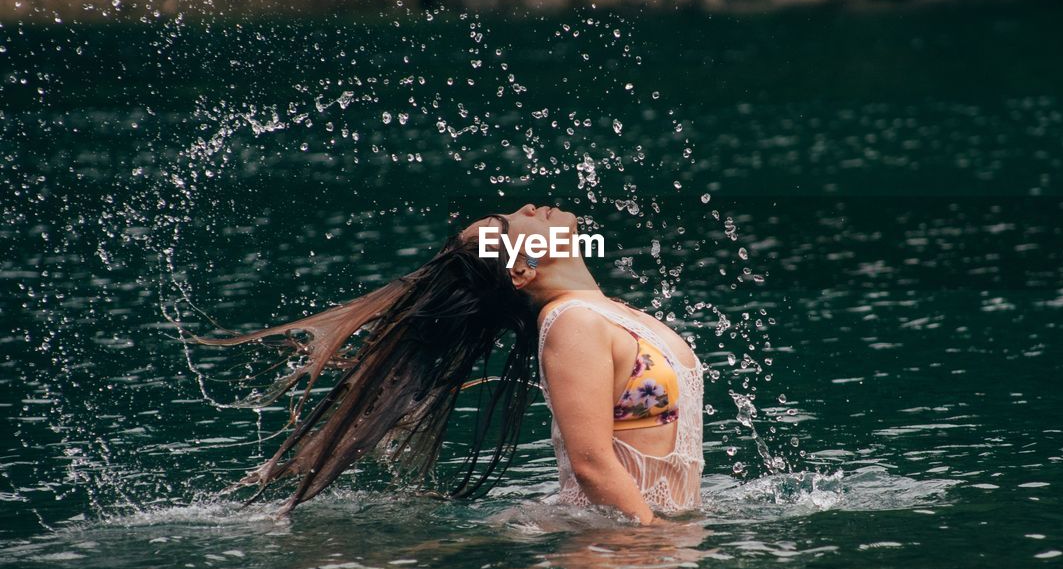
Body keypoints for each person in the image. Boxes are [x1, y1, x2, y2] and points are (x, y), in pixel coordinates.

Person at [194, 203, 704, 525]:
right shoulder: (571, 323)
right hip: (613, 551)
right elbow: (592, 465)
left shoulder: (607, 313)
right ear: (522, 270)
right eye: (508, 226)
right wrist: (653, 543)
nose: (528, 207)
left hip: (640, 536)